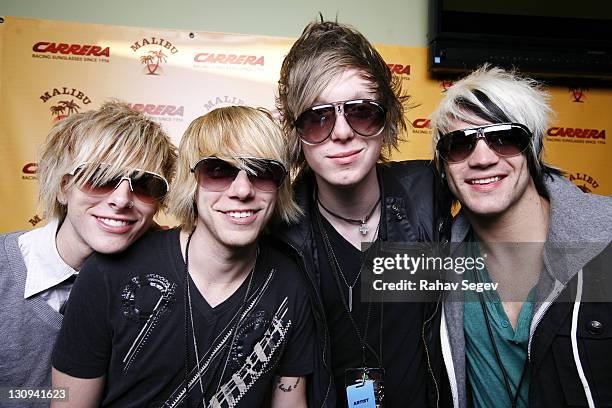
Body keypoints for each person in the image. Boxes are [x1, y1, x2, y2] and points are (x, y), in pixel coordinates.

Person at [51, 106, 315, 407]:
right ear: (192, 182)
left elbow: (290, 402)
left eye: (263, 173)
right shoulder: (108, 273)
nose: (242, 190)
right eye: (219, 170)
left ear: (280, 186)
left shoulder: (290, 282)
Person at [276, 19, 451, 407]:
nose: (341, 133)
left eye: (361, 112)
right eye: (318, 117)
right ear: (295, 131)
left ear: (386, 120)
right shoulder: (278, 229)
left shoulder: (428, 191)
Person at [431, 66, 612, 407]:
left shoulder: (606, 238)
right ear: (443, 166)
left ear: (533, 148)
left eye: (504, 138)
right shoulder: (435, 264)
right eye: (459, 144)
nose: (482, 158)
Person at [0, 101, 176, 395]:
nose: (121, 200)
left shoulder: (164, 287)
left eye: (145, 184)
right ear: (63, 187)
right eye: (100, 177)